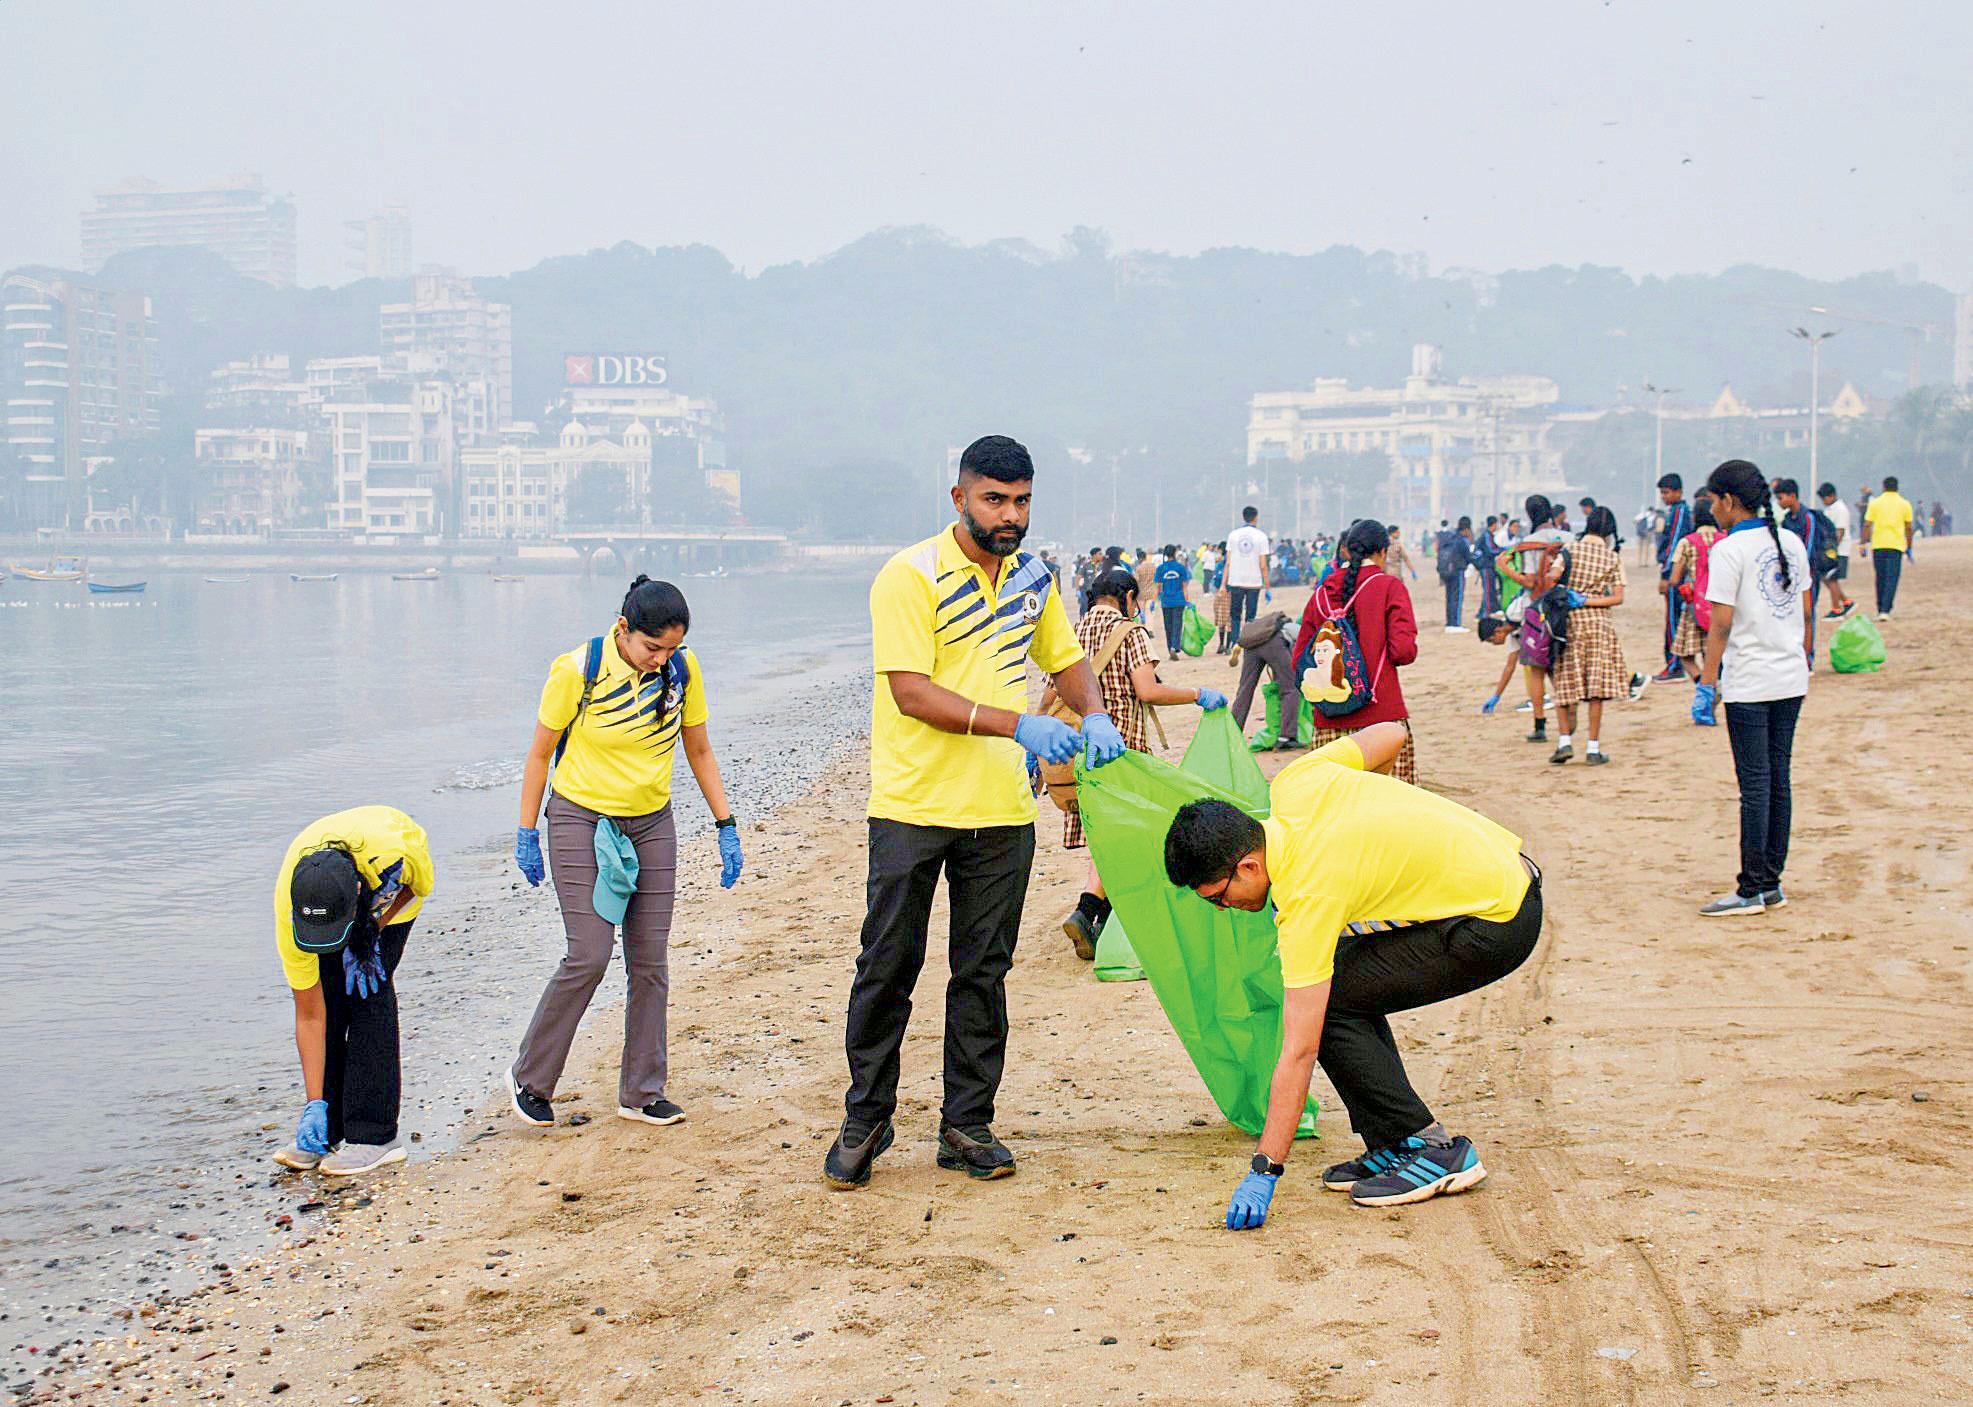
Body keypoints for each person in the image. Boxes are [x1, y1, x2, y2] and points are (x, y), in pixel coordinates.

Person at [825, 434, 1125, 1189]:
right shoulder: (910, 575)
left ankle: (966, 1124)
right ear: (958, 497)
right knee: (886, 965)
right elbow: (911, 693)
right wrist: (1019, 724)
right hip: (912, 803)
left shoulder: (1034, 577)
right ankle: (866, 1120)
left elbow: (1065, 658)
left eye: (1021, 501)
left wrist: (1094, 711)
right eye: (994, 499)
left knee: (982, 972)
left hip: (1001, 811)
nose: (1010, 515)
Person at [1163, 721, 1543, 1221]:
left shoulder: (1307, 897)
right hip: (1505, 873)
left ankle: (1430, 1149)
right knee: (1339, 981)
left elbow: (1299, 1050)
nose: (1222, 908)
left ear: (1249, 867)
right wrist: (1379, 818)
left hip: (1498, 923)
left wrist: (1264, 1169)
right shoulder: (1296, 782)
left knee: (1326, 1004)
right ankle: (1392, 1142)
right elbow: (1392, 733)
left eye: (1219, 897)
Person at [506, 577, 743, 1132]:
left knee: (650, 961)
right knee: (588, 954)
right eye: (651, 647)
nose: (661, 659)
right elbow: (539, 755)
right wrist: (526, 830)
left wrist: (725, 823)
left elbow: (698, 748)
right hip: (581, 819)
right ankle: (531, 1079)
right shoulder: (578, 670)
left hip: (651, 822)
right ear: (623, 629)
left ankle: (642, 1092)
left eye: (671, 649)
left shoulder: (682, 671)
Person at [1053, 566, 1228, 958]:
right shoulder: (1130, 632)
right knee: (1131, 834)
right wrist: (1197, 693)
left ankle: (1095, 916)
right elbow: (1148, 691)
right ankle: (1090, 910)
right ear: (1128, 597)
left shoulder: (1072, 631)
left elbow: (1052, 692)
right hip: (1121, 750)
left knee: (1104, 834)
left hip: (1080, 751)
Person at [272, 806, 436, 1176]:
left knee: (368, 994)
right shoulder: (290, 910)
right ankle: (326, 1129)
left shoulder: (397, 855)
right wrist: (314, 1102)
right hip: (332, 900)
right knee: (329, 1000)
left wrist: (374, 928)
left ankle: (375, 1136)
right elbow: (309, 1014)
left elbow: (418, 888)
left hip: (389, 896)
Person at [1694, 461, 1812, 917]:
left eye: (1713, 501)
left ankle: (1750, 889)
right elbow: (1806, 611)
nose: (1711, 509)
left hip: (1750, 681)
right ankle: (1771, 883)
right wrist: (1804, 655)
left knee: (1756, 785)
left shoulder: (1729, 549)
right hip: (1790, 676)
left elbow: (1721, 624)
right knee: (1778, 779)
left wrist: (1706, 683)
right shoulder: (1791, 542)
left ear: (1728, 500)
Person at [1291, 519, 1421, 783]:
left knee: (1336, 799)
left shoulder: (1321, 594)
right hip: (1382, 715)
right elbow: (1403, 652)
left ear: (1346, 550)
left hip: (1330, 720)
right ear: (1382, 551)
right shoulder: (1389, 587)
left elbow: (1299, 660)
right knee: (1388, 800)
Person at [1546, 506, 1628, 765]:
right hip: (1599, 625)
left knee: (1565, 680)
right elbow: (1618, 597)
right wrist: (1589, 599)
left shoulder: (1570, 549)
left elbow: (1553, 578)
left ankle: (1564, 742)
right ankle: (1593, 748)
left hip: (1569, 622)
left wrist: (1573, 596)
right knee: (1596, 687)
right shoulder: (1612, 558)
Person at [1496, 496, 1572, 745]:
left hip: (1539, 610)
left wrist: (1505, 568)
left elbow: (1530, 582)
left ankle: (1540, 724)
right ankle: (1568, 719)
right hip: (1566, 606)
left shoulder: (1530, 543)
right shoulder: (1569, 539)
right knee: (1562, 667)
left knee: (1537, 668)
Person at [1666, 498, 1721, 684]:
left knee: (1685, 655)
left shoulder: (1687, 542)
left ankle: (1702, 683)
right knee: (1712, 653)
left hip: (1695, 606)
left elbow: (1674, 579)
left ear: (1695, 517)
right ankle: (1714, 683)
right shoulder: (1725, 539)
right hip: (1721, 604)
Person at [1653, 473, 1695, 682]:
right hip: (1678, 574)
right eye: (1662, 493)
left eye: (1667, 492)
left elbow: (1675, 545)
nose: (1664, 496)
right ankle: (1675, 663)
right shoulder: (1674, 511)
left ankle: (1674, 665)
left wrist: (1667, 574)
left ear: (1678, 492)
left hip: (1676, 576)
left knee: (1673, 620)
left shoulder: (1680, 512)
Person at [1863, 474, 1915, 619]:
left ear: (1883, 487)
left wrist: (1863, 543)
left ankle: (1880, 607)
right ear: (1897, 487)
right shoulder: (1905, 504)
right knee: (1892, 578)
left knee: (1880, 577)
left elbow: (1867, 524)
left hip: (1878, 545)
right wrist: (1909, 546)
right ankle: (1885, 610)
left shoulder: (1875, 503)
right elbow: (1908, 527)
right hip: (1896, 546)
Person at [1224, 506, 1271, 640]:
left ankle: (1234, 641)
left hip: (1236, 581)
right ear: (1256, 517)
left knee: (1235, 615)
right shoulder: (1261, 536)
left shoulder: (1233, 535)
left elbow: (1228, 562)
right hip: (1253, 582)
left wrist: (1223, 583)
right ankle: (1247, 642)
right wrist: (1267, 587)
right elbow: (1263, 565)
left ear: (1243, 517)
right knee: (1250, 616)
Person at [1815, 483, 1856, 620]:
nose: (1823, 501)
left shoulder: (1840, 509)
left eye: (1824, 498)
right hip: (1830, 549)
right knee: (1824, 576)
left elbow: (1840, 532)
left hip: (1838, 550)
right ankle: (1846, 601)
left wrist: (1829, 549)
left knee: (1832, 578)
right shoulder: (1831, 509)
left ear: (1832, 495)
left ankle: (1836, 609)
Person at [1435, 516, 1476, 632]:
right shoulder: (1462, 540)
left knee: (1449, 598)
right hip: (1458, 571)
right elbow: (1469, 557)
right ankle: (1456, 624)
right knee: (1457, 598)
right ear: (1467, 529)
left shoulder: (1449, 537)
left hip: (1446, 571)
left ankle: (1449, 623)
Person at [1151, 544, 1193, 656]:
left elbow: (1158, 587)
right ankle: (1175, 647)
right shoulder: (1180, 568)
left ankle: (1170, 648)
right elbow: (1184, 586)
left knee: (1168, 626)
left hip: (1166, 601)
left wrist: (1154, 601)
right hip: (1179, 600)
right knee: (1177, 625)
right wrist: (1187, 601)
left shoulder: (1161, 568)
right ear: (1175, 553)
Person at [1210, 542, 1234, 654]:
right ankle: (1227, 646)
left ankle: (1221, 644)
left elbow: (1216, 581)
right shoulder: (1233, 564)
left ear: (1221, 550)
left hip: (1222, 594)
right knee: (1229, 621)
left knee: (1222, 621)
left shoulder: (1220, 564)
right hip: (1231, 593)